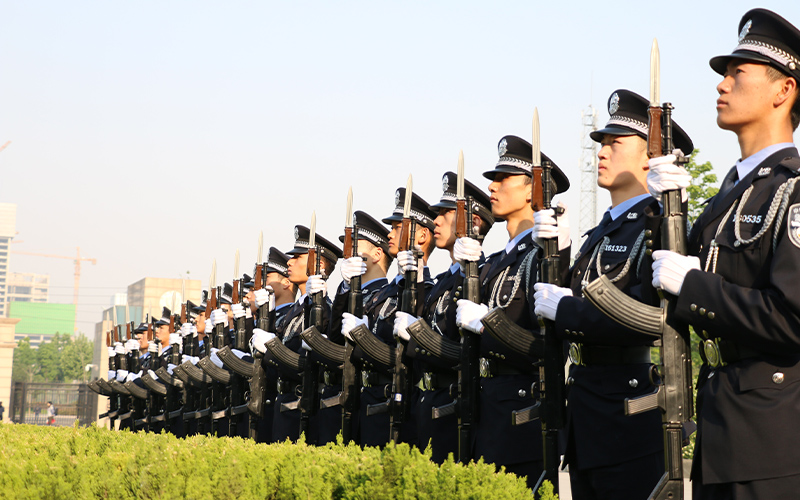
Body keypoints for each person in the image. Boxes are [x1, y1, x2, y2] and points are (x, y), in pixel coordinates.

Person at [647, 8, 800, 498]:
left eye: (738, 72)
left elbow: (791, 319)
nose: (722, 84)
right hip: (718, 426)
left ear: (784, 90)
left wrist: (693, 286)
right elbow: (667, 279)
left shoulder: (792, 190)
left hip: (770, 439)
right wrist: (663, 210)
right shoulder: (730, 194)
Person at [532, 89, 693, 499]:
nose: (601, 152)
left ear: (648, 155)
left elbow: (645, 316)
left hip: (626, 415)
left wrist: (566, 310)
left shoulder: (656, 225)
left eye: (615, 143)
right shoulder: (600, 232)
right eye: (601, 143)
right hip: (586, 411)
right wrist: (559, 253)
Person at [455, 136, 568, 489]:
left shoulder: (545, 255)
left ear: (533, 191)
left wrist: (486, 325)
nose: (492, 186)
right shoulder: (495, 263)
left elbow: (547, 348)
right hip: (488, 411)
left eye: (504, 179)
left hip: (521, 416)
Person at [393, 171, 494, 463]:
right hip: (426, 408)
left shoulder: (484, 275)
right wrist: (410, 280)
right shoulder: (438, 283)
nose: (435, 220)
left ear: (471, 222)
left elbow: (467, 351)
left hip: (456, 409)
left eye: (446, 213)